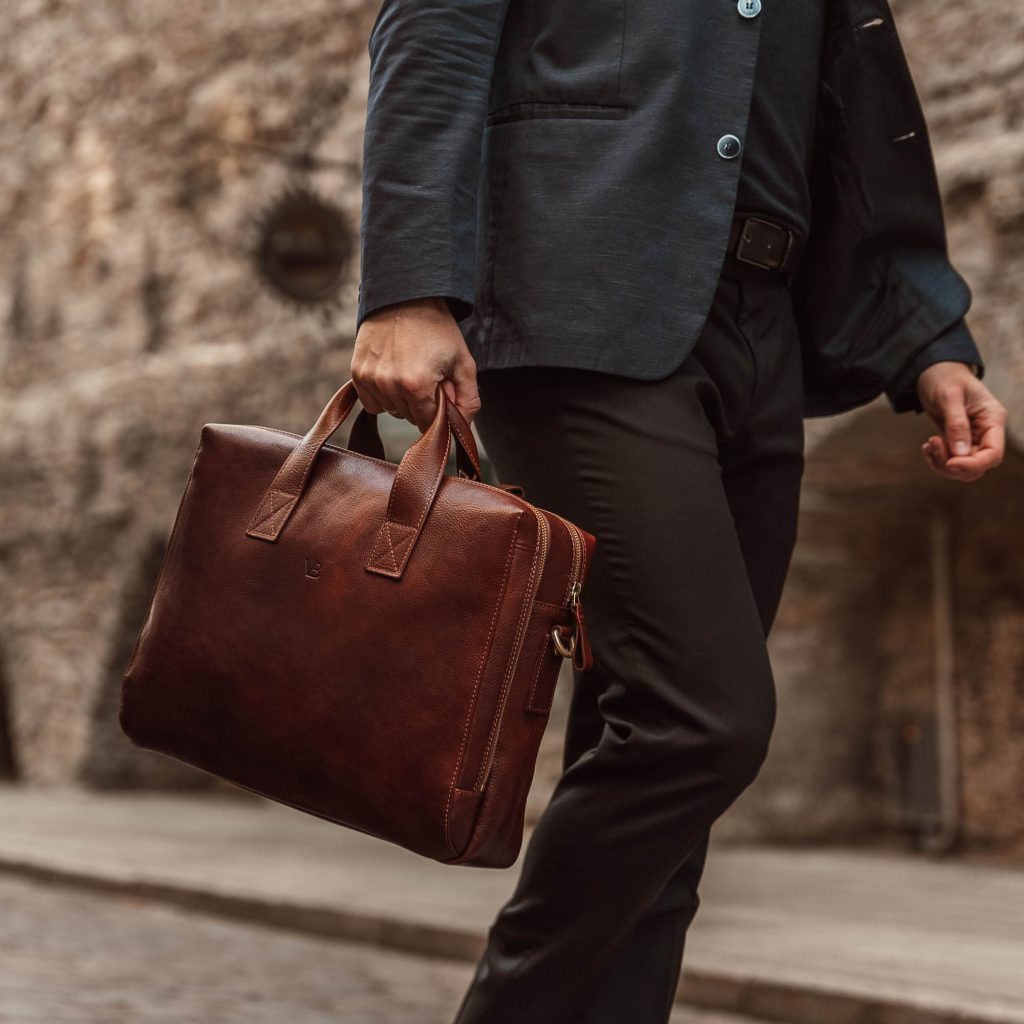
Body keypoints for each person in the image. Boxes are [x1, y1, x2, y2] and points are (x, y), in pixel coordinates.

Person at [349, 0, 1008, 1020]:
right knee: (701, 721)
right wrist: (406, 288)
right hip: (580, 306)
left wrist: (924, 339)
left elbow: (855, 95)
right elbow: (434, 29)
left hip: (762, 329)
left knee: (658, 771)